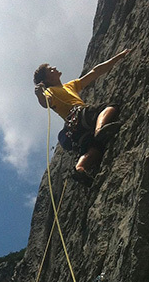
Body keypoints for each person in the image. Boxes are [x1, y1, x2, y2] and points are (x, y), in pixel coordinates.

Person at [33, 49, 131, 186]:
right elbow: (46, 103)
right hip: (80, 115)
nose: (54, 68)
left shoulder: (70, 86)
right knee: (109, 107)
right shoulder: (50, 91)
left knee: (94, 149)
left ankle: (80, 168)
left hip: (75, 129)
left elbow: (95, 72)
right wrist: (39, 95)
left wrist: (118, 57)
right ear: (47, 79)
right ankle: (100, 129)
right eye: (50, 69)